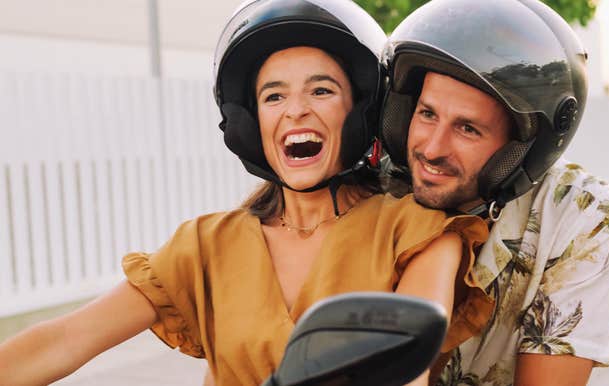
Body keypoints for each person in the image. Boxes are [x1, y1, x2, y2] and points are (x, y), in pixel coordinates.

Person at [0, 1, 492, 385]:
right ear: (252, 125)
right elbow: (62, 341)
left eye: (321, 91)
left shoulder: (419, 231)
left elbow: (405, 366)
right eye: (273, 96)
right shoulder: (206, 245)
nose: (295, 110)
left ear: (359, 113)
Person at [379, 0, 609, 385]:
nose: (431, 149)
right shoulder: (370, 187)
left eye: (467, 129)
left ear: (520, 150)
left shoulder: (573, 212)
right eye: (427, 114)